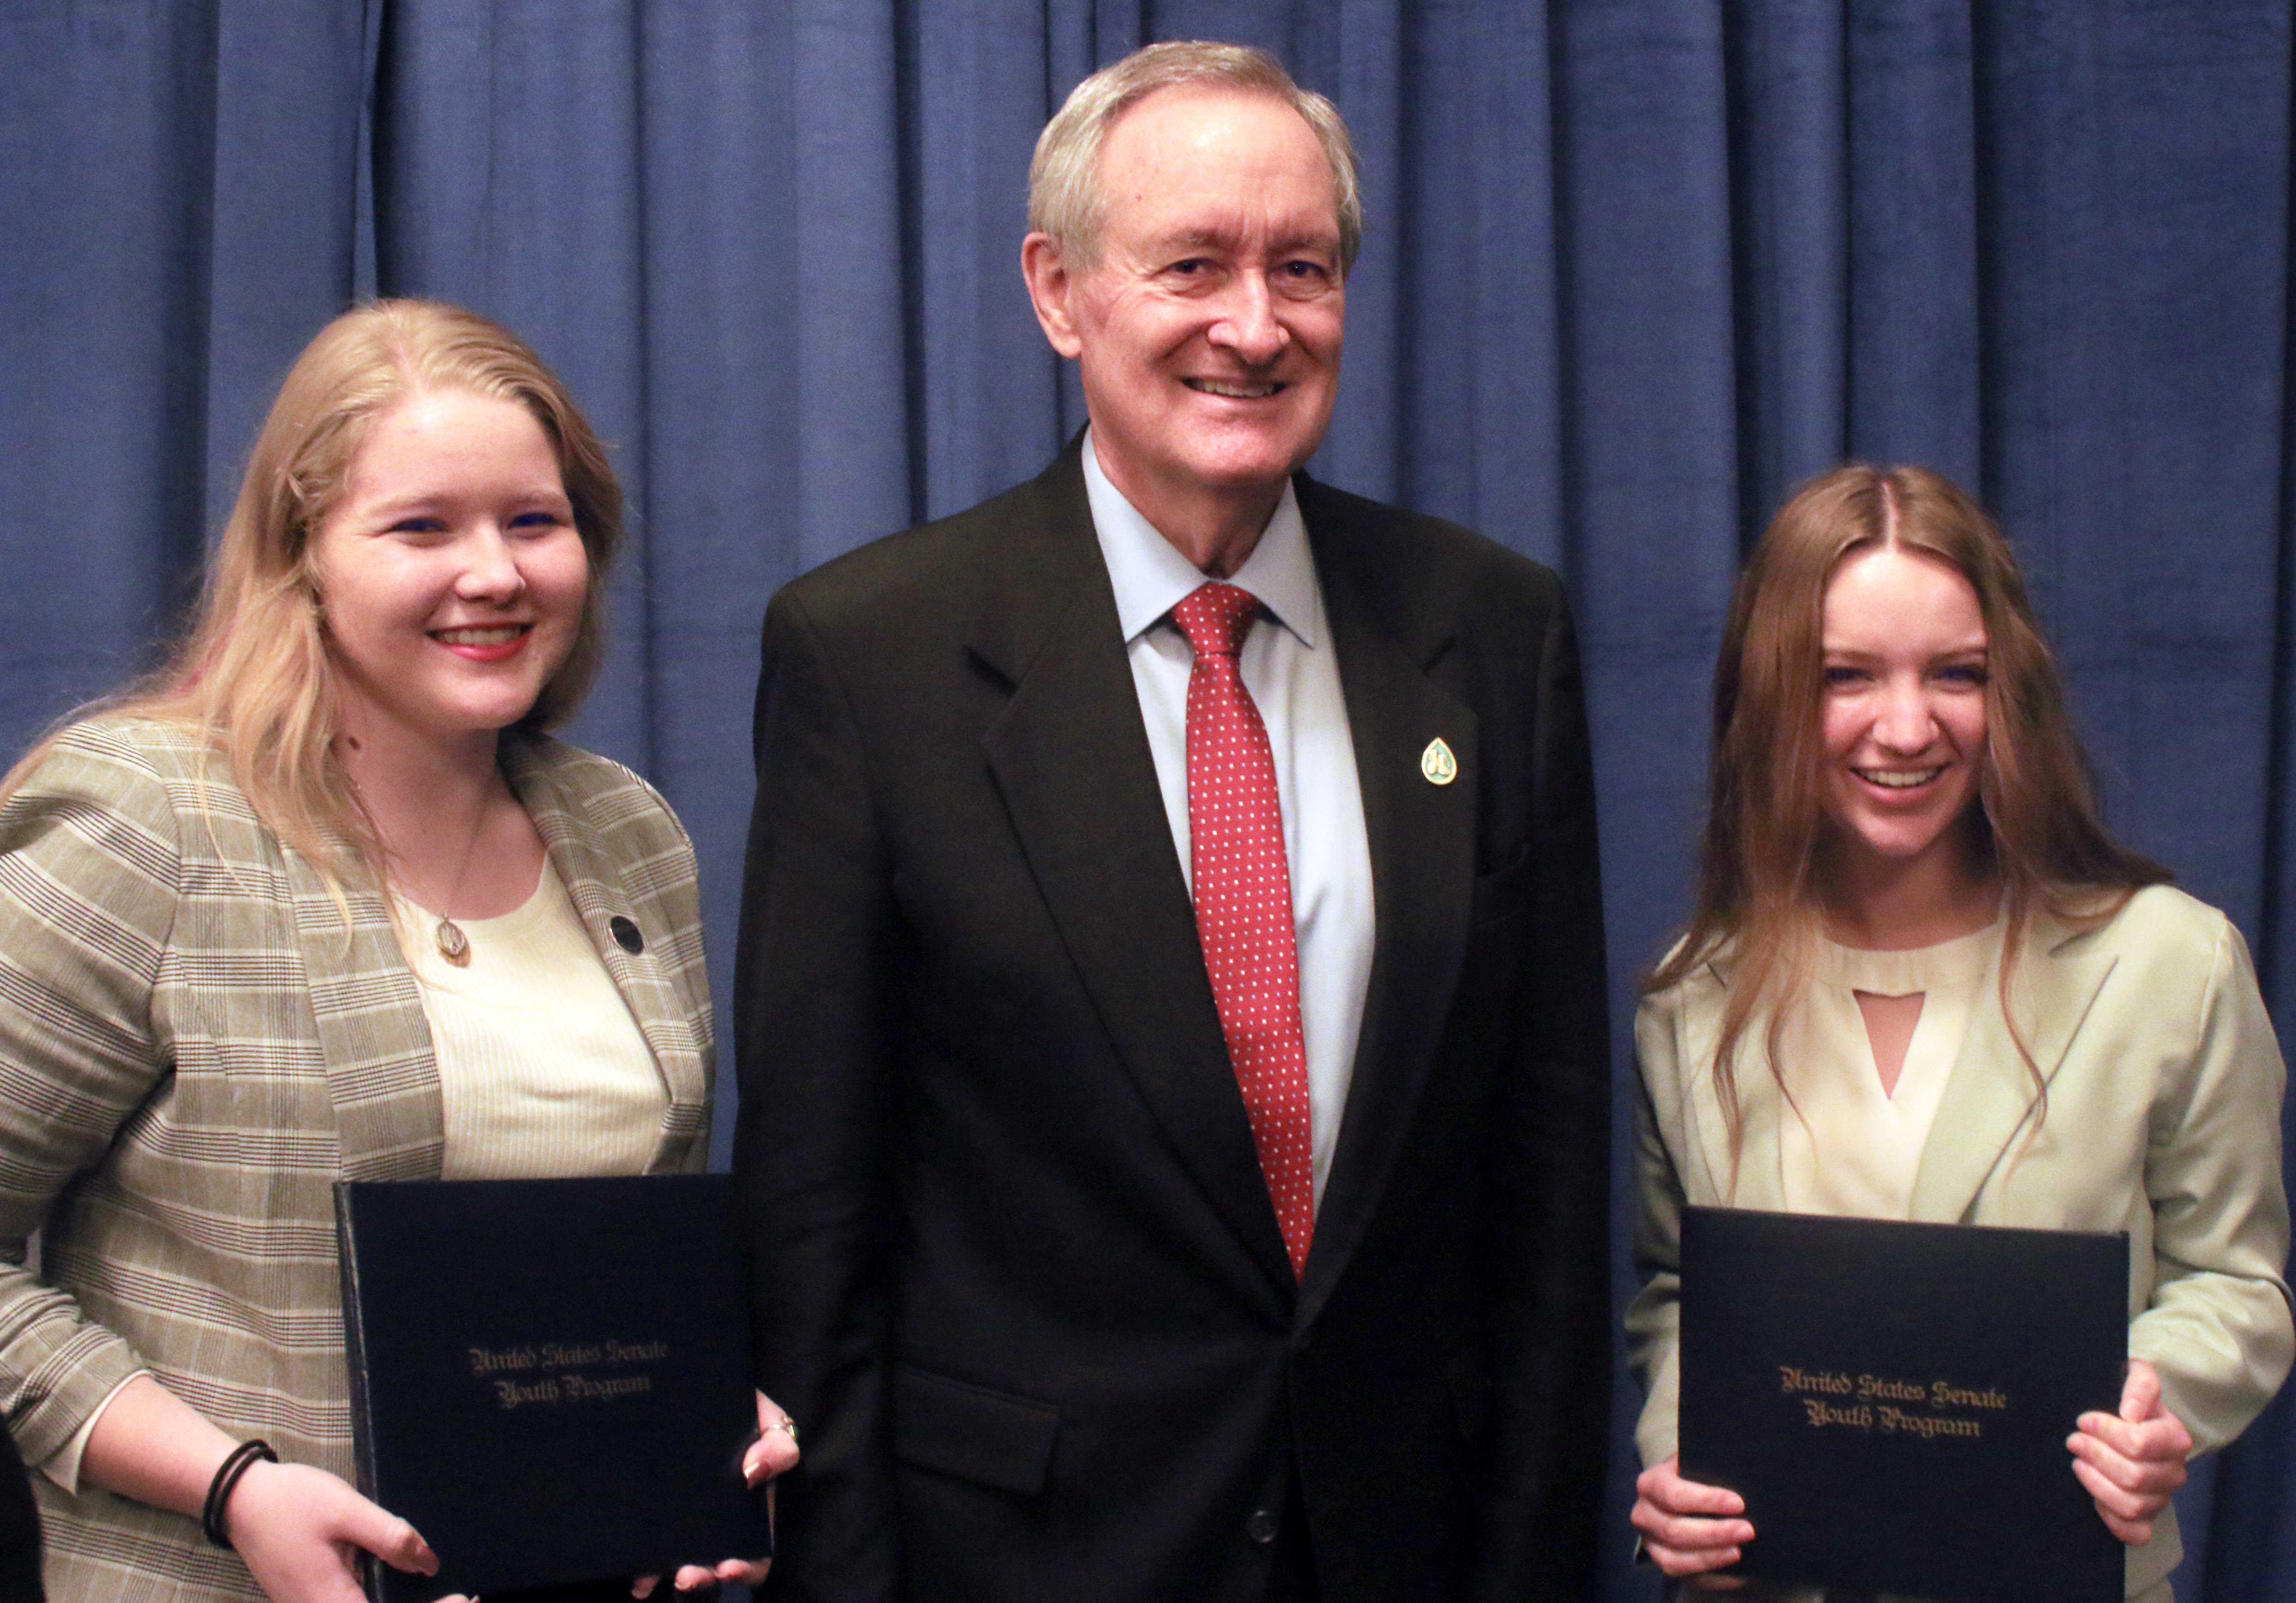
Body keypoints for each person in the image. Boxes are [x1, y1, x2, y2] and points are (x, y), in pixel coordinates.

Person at [733, 39, 1611, 1603]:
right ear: (1058, 289)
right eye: (1190, 264)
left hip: (1404, 1549)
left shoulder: (1487, 632)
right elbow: (815, 1215)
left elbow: (1540, 1194)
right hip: (1017, 1556)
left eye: (1302, 267)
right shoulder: (871, 655)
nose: (1253, 325)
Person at [0, 300, 796, 1603]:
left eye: (533, 522)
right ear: (301, 555)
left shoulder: (625, 835)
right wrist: (233, 1485)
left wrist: (694, 1416)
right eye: (422, 526)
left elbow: (607, 1265)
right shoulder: (149, 822)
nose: (494, 573)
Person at [1625, 465, 2295, 1601]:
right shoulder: (1693, 997)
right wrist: (1677, 1462)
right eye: (1846, 676)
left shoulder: (2169, 965)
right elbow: (1682, 1293)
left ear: (2011, 693)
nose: (1906, 725)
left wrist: (2154, 1396)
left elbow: (2238, 1281)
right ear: (1774, 698)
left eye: (1956, 675)